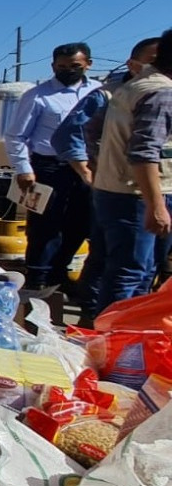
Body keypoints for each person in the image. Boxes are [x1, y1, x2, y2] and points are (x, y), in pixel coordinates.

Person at [50, 36, 160, 317]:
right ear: (133, 64)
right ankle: (111, 329)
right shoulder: (110, 94)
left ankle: (101, 320)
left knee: (124, 262)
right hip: (127, 190)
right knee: (128, 267)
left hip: (139, 188)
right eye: (154, 61)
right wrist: (87, 170)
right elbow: (69, 135)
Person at [85, 28, 172, 314]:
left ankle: (123, 337)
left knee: (138, 270)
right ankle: (112, 342)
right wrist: (155, 206)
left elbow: (93, 132)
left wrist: (104, 167)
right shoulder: (160, 93)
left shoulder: (134, 86)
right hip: (137, 195)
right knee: (130, 272)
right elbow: (144, 153)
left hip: (122, 191)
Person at [4, 42, 102, 293]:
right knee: (45, 225)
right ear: (53, 66)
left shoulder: (98, 93)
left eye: (75, 66)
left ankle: (60, 273)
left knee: (81, 223)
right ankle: (38, 276)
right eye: (62, 66)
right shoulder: (38, 96)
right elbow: (17, 136)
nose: (68, 70)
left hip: (88, 166)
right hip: (49, 166)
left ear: (88, 64)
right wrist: (24, 168)